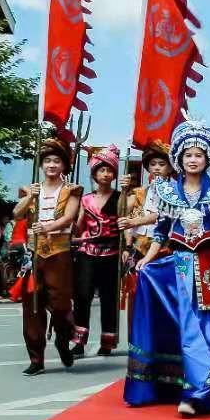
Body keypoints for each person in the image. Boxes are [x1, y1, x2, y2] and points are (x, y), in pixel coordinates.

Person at [127, 121, 210, 416]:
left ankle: (201, 393)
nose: (193, 159)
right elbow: (161, 231)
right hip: (176, 266)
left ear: (208, 158)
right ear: (179, 160)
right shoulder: (168, 193)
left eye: (198, 154)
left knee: (204, 327)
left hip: (208, 265)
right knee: (182, 326)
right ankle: (171, 385)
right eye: (187, 155)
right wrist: (148, 258)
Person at [12, 139, 82, 375]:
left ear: (63, 165)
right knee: (32, 304)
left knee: (61, 304)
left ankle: (63, 340)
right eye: (48, 161)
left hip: (59, 252)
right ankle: (36, 358)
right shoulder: (31, 189)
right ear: (42, 165)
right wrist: (29, 197)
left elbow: (69, 218)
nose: (52, 165)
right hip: (34, 253)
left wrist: (48, 227)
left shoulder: (71, 190)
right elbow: (16, 214)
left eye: (56, 161)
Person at [73, 145, 123, 357]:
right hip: (87, 252)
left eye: (109, 170)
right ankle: (79, 342)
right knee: (82, 295)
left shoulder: (121, 197)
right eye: (101, 170)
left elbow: (125, 223)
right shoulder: (85, 199)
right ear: (94, 173)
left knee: (109, 298)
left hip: (111, 253)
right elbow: (78, 226)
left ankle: (108, 342)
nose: (106, 174)